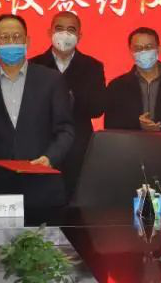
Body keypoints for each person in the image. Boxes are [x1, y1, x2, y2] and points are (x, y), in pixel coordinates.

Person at [0, 14, 74, 209]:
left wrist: (50, 158)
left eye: (17, 37)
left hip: (41, 184)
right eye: (4, 38)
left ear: (27, 41)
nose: (11, 42)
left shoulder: (52, 80)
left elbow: (66, 129)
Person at [30, 11, 105, 193]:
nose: (65, 34)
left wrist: (72, 98)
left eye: (71, 30)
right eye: (59, 29)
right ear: (50, 32)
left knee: (77, 198)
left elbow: (97, 108)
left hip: (79, 146)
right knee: (42, 196)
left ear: (80, 35)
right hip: (43, 146)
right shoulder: (34, 65)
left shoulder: (92, 66)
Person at [104, 26, 161, 132]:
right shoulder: (117, 87)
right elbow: (110, 126)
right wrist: (138, 125)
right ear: (131, 51)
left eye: (148, 47)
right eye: (138, 48)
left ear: (158, 49)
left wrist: (160, 128)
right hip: (130, 142)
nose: (143, 52)